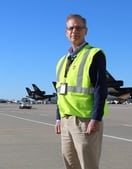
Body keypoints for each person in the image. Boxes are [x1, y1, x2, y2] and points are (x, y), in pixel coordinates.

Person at [55, 14, 109, 169]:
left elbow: (100, 88)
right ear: (66, 32)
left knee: (88, 165)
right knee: (70, 164)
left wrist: (96, 118)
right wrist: (58, 118)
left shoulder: (94, 54)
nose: (74, 31)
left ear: (86, 31)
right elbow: (61, 93)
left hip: (85, 121)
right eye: (71, 28)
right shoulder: (62, 61)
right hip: (66, 120)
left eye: (79, 27)